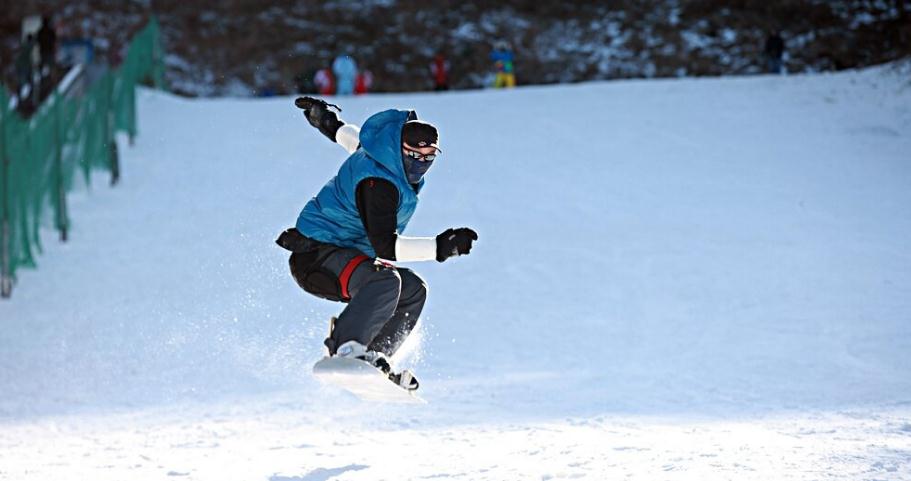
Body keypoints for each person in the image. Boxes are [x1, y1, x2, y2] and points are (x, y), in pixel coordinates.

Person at [277, 97, 479, 391]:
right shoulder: (378, 184)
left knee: (413, 290)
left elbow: (352, 141)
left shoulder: (381, 154)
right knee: (387, 279)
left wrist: (328, 123)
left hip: (346, 257)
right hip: (316, 257)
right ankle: (346, 347)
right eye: (414, 156)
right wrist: (440, 247)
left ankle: (374, 356)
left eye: (429, 157)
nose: (421, 164)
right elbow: (386, 248)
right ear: (399, 150)